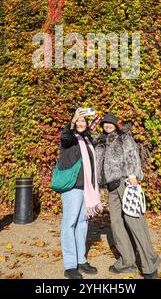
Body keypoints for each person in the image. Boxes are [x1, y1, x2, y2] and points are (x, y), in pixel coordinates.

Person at [94, 112, 161, 279]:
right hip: (111, 188)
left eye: (111, 123)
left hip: (125, 183)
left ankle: (149, 264)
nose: (107, 125)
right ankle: (127, 261)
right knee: (117, 225)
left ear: (116, 124)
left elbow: (132, 156)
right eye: (105, 123)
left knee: (135, 222)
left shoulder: (124, 137)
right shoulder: (101, 141)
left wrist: (132, 175)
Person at [59, 107, 102, 279]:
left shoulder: (87, 139)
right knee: (69, 224)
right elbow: (65, 135)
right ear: (74, 123)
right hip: (72, 187)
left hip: (86, 188)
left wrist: (91, 112)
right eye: (79, 121)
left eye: (84, 121)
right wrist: (73, 118)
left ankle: (80, 260)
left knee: (82, 224)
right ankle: (70, 266)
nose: (82, 123)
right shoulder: (70, 140)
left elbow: (98, 118)